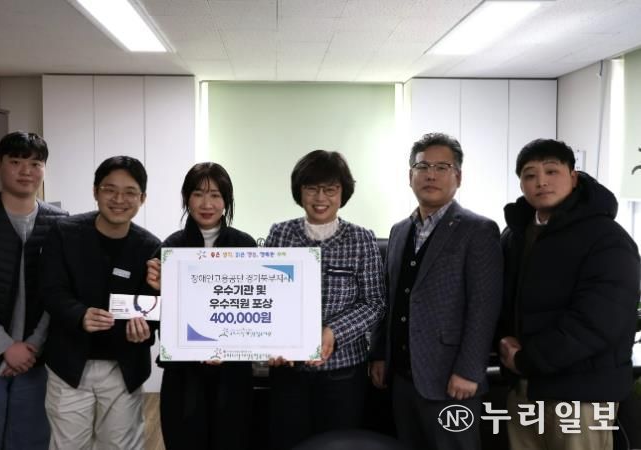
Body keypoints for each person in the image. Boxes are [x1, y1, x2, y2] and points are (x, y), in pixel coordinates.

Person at [497, 138, 640, 450]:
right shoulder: (515, 235)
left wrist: (525, 359)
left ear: (574, 177)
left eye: (552, 171)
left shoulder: (607, 238)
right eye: (530, 175)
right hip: (525, 387)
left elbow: (598, 321)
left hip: (582, 395)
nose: (541, 182)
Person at [369, 132, 503, 450]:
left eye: (442, 167)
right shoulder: (399, 231)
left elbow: (484, 307)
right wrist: (379, 354)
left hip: (452, 379)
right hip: (402, 377)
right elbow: (390, 299)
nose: (431, 175)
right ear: (410, 176)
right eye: (422, 167)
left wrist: (469, 371)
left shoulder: (478, 230)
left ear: (458, 177)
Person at [264, 149, 386, 450]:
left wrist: (333, 332)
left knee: (339, 444)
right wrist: (272, 343)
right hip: (288, 370)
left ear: (343, 193)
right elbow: (266, 296)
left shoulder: (361, 239)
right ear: (300, 191)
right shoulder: (280, 234)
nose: (321, 198)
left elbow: (374, 303)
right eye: (312, 188)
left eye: (330, 189)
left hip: (343, 372)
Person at [40, 156, 160, 449]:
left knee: (121, 445)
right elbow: (50, 290)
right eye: (110, 189)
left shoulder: (150, 247)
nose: (119, 199)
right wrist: (79, 314)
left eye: (130, 192)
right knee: (68, 445)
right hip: (69, 363)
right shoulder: (64, 233)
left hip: (124, 367)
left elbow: (153, 307)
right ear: (95, 191)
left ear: (142, 198)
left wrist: (145, 330)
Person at [0, 131, 67, 449]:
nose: (26, 171)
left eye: (35, 163)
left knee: (30, 442)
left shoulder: (60, 222)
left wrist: (32, 346)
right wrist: (5, 347)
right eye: (16, 162)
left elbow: (58, 294)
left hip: (35, 363)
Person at [146, 162, 257, 450]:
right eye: (198, 194)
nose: (207, 204)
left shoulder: (245, 245)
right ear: (187, 198)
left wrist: (229, 347)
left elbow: (254, 310)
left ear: (226, 201)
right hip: (184, 373)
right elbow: (154, 317)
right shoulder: (170, 247)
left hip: (232, 372)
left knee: (232, 440)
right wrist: (158, 291)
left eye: (215, 195)